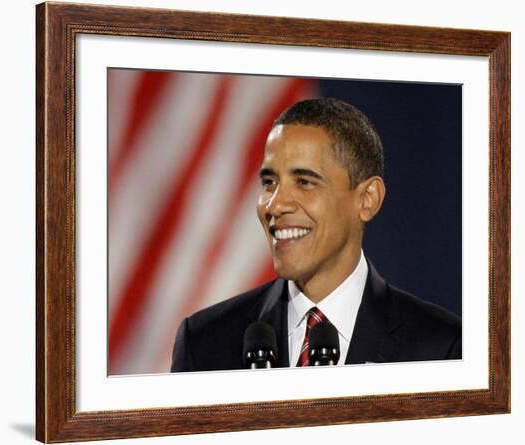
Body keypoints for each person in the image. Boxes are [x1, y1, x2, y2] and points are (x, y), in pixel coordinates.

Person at [171, 98, 461, 372]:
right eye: (270, 182)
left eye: (305, 182)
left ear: (367, 199)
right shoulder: (203, 343)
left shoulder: (443, 347)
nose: (275, 205)